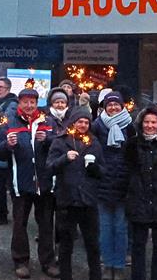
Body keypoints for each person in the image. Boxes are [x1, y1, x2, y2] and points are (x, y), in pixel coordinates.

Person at [0, 88, 59, 279]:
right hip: (20, 182)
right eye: (25, 102)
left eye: (33, 102)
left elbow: (59, 145)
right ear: (19, 103)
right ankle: (21, 261)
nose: (29, 106)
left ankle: (48, 262)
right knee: (20, 224)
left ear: (37, 103)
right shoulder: (9, 123)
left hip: (44, 181)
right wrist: (7, 145)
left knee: (46, 224)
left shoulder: (48, 122)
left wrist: (47, 140)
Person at [47, 109, 104, 280]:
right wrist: (64, 158)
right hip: (67, 200)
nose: (83, 125)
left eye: (86, 122)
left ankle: (95, 276)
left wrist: (95, 169)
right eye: (80, 122)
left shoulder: (94, 142)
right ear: (73, 122)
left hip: (88, 201)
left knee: (92, 244)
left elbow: (103, 170)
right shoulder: (60, 142)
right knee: (65, 245)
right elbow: (49, 167)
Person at [124, 107, 157, 280]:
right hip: (139, 198)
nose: (150, 125)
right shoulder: (132, 143)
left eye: (153, 122)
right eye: (146, 122)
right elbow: (128, 165)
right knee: (138, 246)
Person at [92, 91, 133, 279]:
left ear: (122, 106)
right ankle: (107, 263)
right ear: (104, 106)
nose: (113, 107)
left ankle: (119, 264)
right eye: (110, 105)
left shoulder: (131, 126)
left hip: (124, 182)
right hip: (103, 181)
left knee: (121, 227)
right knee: (105, 226)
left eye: (117, 104)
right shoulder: (97, 126)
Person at [0, 76, 18, 226]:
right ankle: (1, 213)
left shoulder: (11, 106)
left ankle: (2, 214)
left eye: (0, 87)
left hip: (3, 150)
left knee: (0, 185)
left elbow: (4, 128)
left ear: (8, 89)